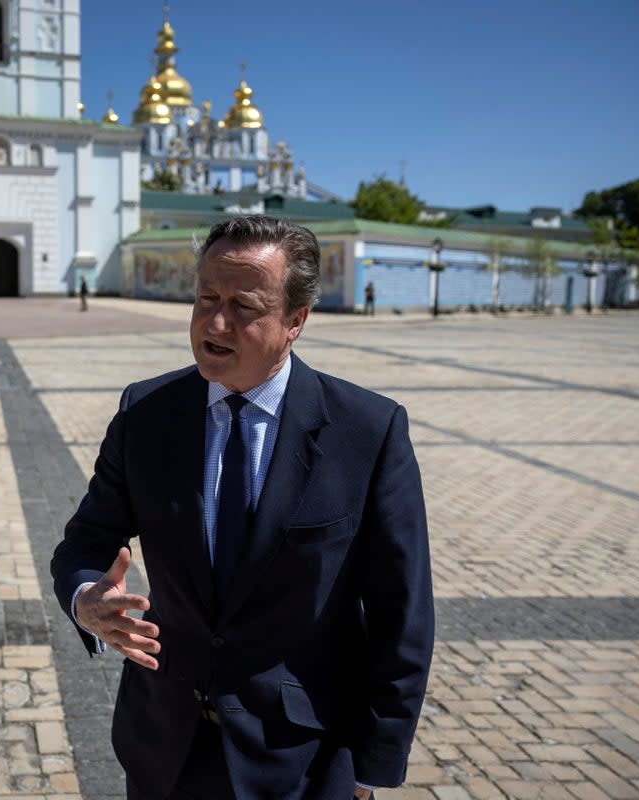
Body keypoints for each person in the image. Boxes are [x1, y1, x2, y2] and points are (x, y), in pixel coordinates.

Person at [51, 215, 433, 799]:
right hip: (163, 748)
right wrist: (86, 599)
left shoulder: (367, 430)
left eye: (244, 306)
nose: (215, 322)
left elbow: (400, 614)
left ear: (295, 321)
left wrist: (370, 767)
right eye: (206, 298)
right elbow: (87, 538)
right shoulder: (146, 412)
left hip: (302, 758)